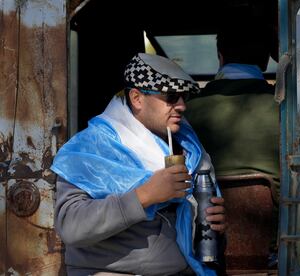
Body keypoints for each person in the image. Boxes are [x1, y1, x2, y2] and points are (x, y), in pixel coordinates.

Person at [51, 53, 226, 276]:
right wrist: (144, 196)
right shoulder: (91, 147)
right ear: (137, 99)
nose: (181, 106)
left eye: (184, 97)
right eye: (171, 97)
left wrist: (217, 229)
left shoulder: (189, 146)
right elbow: (71, 226)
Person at [185, 25, 280, 268]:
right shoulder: (289, 112)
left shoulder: (182, 113)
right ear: (266, 60)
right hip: (277, 247)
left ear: (220, 57)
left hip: (198, 246)